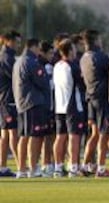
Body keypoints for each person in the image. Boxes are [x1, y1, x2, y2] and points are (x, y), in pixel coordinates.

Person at [13, 38, 50, 178]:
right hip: (33, 103)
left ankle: (21, 169)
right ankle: (33, 169)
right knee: (34, 136)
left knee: (24, 136)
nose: (40, 52)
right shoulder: (32, 62)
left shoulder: (18, 61)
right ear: (34, 47)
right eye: (38, 49)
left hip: (22, 103)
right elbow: (43, 82)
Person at [80, 29, 109, 177]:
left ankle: (84, 165)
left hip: (90, 98)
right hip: (101, 99)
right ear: (96, 41)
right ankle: (100, 168)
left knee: (94, 134)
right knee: (104, 134)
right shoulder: (100, 57)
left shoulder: (83, 57)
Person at [53, 39, 86, 178]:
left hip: (59, 106)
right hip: (73, 106)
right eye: (73, 48)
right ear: (70, 51)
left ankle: (58, 167)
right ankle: (73, 167)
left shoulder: (57, 65)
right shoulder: (72, 66)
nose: (75, 51)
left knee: (60, 137)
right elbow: (82, 85)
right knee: (74, 137)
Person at [0, 30, 21, 177]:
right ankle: (21, 166)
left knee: (5, 134)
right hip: (8, 100)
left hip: (4, 100)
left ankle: (2, 167)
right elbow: (16, 76)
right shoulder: (7, 56)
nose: (18, 45)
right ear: (8, 41)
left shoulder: (7, 55)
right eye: (16, 42)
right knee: (12, 133)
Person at [38, 41, 55, 177]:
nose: (52, 56)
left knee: (48, 136)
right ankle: (45, 164)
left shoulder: (48, 66)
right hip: (44, 106)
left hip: (48, 105)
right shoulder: (44, 67)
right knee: (44, 137)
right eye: (50, 53)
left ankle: (47, 164)